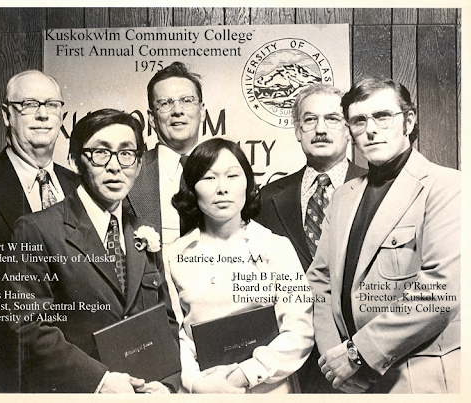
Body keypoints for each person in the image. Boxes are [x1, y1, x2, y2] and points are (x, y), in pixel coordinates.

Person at [4, 109, 180, 393]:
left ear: (138, 163)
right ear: (75, 161)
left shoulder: (143, 231)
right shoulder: (37, 229)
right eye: (101, 153)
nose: (115, 166)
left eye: (127, 154)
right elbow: (27, 327)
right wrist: (100, 381)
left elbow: (166, 318)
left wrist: (167, 384)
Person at [308, 77, 460, 393]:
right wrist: (335, 359)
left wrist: (357, 354)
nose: (371, 129)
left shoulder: (448, 187)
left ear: (409, 120)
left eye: (382, 116)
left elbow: (441, 291)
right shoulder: (344, 196)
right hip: (353, 380)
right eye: (359, 120)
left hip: (420, 375)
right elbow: (319, 281)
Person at [167, 138, 314, 393]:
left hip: (269, 389)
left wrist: (243, 376)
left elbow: (300, 331)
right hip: (202, 392)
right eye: (209, 178)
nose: (222, 188)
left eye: (232, 176)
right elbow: (175, 336)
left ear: (248, 184)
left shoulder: (277, 247)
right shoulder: (174, 255)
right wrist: (198, 384)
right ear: (192, 188)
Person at [254, 83, 367, 393]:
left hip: (358, 358)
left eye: (332, 119)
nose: (320, 129)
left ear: (348, 130)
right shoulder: (267, 199)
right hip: (289, 360)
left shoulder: (378, 190)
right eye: (309, 120)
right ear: (297, 130)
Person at [0, 70, 77, 390]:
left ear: (61, 115)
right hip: (8, 377)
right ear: (7, 114)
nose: (43, 114)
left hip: (82, 370)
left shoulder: (79, 187)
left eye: (52, 105)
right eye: (29, 104)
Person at [125, 61, 206, 246]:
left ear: (202, 111)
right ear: (152, 118)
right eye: (165, 103)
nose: (177, 111)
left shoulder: (226, 170)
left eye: (187, 101)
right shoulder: (127, 171)